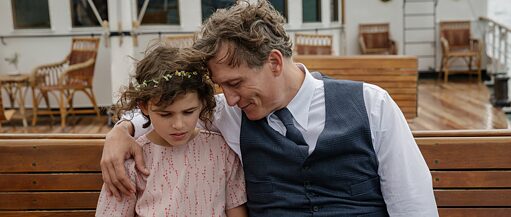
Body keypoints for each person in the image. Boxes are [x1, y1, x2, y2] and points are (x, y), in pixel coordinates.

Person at [101, 1, 438, 216]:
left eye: (235, 83)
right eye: (222, 88)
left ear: (274, 62)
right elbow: (166, 109)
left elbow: (413, 205)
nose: (229, 98)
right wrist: (121, 130)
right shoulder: (230, 112)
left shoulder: (372, 105)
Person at [96, 44, 247, 217]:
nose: (179, 124)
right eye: (165, 114)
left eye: (188, 112)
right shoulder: (132, 161)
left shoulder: (221, 150)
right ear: (144, 106)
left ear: (203, 103)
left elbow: (236, 210)